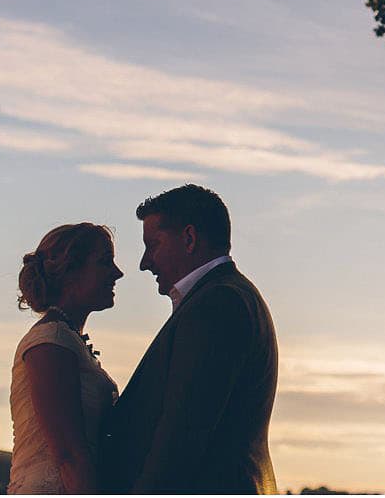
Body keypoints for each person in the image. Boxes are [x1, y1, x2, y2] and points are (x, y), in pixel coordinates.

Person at [100, 185, 278, 494]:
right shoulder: (229, 297)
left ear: (189, 239)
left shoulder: (217, 305)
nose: (145, 262)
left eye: (153, 245)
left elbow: (183, 433)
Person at [9, 223, 123, 494]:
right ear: (70, 271)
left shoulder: (67, 339)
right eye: (105, 262)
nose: (117, 273)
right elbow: (69, 456)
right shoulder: (51, 342)